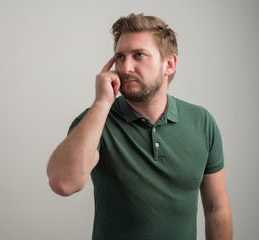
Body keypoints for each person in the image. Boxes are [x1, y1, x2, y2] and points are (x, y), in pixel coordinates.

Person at [47, 13, 232, 240]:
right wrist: (102, 102)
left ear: (169, 64)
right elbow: (63, 183)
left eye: (139, 55)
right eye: (120, 57)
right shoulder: (96, 121)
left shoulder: (202, 122)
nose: (126, 67)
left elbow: (216, 209)